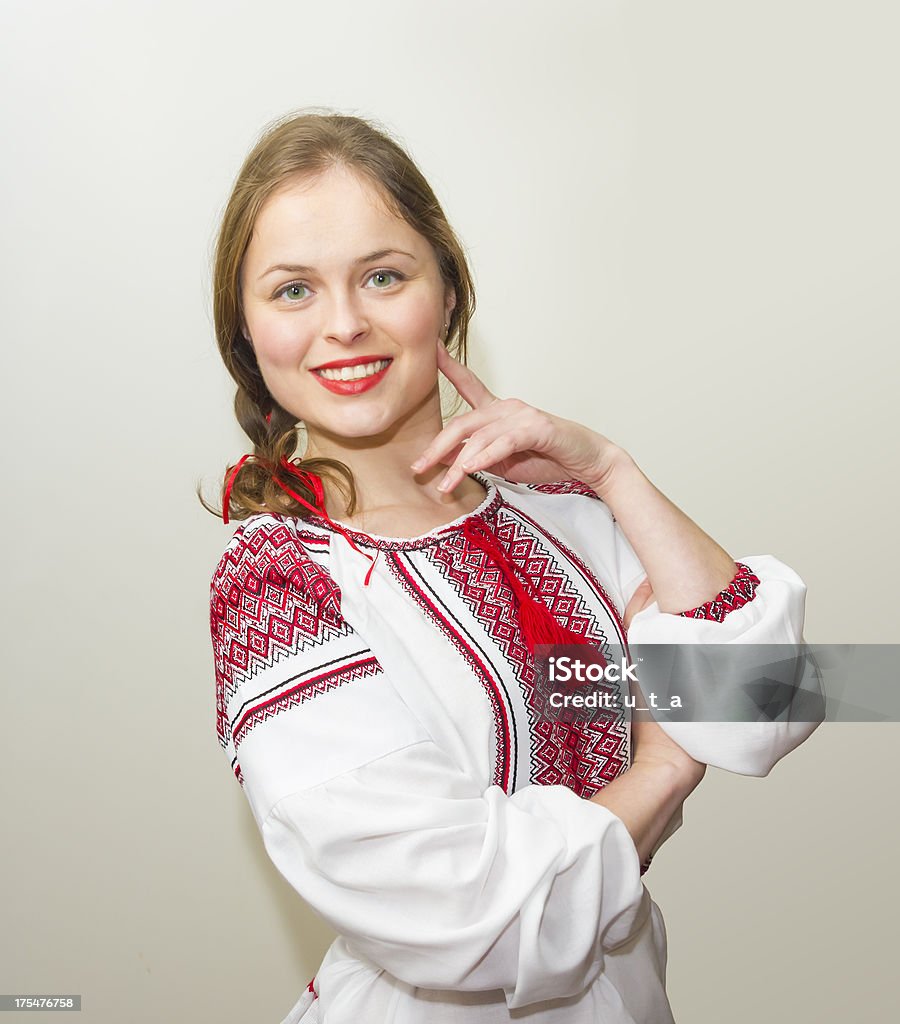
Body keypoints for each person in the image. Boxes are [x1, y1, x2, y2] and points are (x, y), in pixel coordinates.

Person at [203, 109, 823, 1024]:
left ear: (447, 293)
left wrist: (611, 471)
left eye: (383, 276)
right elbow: (459, 912)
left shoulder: (557, 512)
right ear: (247, 330)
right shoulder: (278, 582)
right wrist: (660, 766)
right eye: (293, 291)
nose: (344, 324)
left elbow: (765, 704)